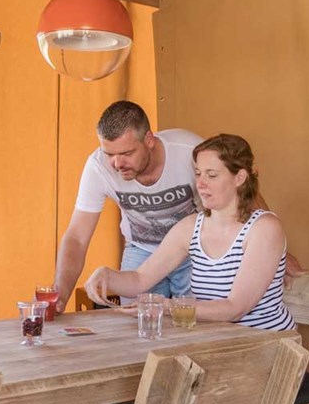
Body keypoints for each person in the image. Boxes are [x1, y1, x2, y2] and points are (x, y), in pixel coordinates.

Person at [86, 133, 296, 404]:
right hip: (216, 354)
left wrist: (169, 306)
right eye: (198, 173)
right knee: (166, 401)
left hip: (268, 355)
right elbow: (142, 278)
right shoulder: (192, 226)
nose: (201, 182)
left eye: (212, 175)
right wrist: (108, 276)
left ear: (240, 177)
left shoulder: (264, 228)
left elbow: (235, 308)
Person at [52, 101, 204, 306]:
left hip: (192, 248)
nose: (117, 164)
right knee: (135, 319)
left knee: (197, 316)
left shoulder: (190, 151)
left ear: (149, 140)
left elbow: (231, 205)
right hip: (141, 248)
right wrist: (60, 294)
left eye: (126, 154)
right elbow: (77, 237)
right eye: (109, 154)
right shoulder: (98, 166)